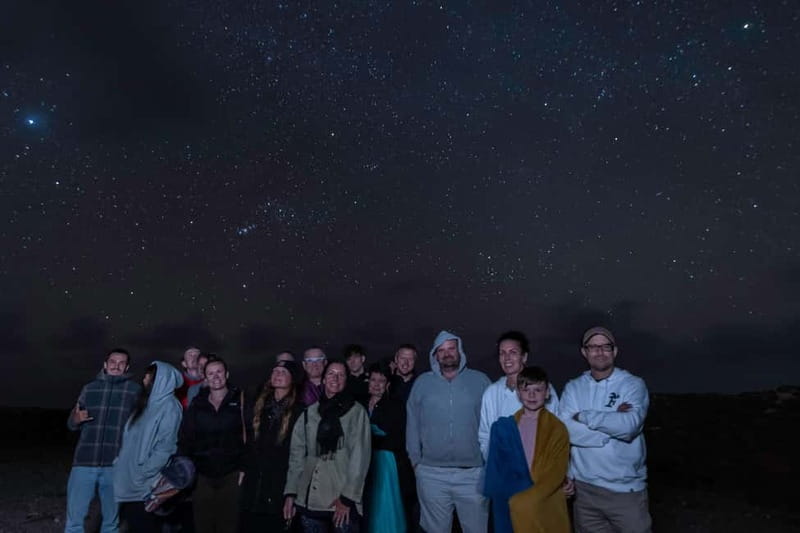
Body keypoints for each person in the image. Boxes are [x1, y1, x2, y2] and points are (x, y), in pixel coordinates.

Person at [558, 326, 652, 533]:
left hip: (626, 492)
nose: (599, 352)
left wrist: (583, 415)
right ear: (584, 352)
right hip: (584, 491)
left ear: (615, 351)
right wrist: (610, 426)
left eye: (605, 347)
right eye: (593, 347)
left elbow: (629, 426)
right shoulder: (573, 388)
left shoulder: (633, 385)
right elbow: (564, 430)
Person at [406, 331, 491, 533]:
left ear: (459, 350)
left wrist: (487, 464)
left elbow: (491, 424)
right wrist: (416, 462)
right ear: (435, 355)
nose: (447, 354)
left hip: (472, 475)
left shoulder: (480, 381)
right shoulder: (422, 384)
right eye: (441, 350)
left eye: (451, 348)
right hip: (431, 474)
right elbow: (412, 424)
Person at [283, 359, 371, 532]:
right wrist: (291, 492)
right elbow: (297, 456)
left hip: (341, 499)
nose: (335, 379)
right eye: (331, 373)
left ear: (346, 380)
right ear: (323, 379)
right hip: (311, 498)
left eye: (341, 375)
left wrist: (347, 499)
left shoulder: (356, 412)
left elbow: (360, 457)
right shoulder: (310, 413)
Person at [483, 366, 570, 533]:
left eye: (538, 390)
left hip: (543, 499)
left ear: (547, 393)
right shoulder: (507, 427)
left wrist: (526, 500)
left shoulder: (557, 429)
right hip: (510, 497)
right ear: (518, 393)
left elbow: (556, 472)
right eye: (526, 390)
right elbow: (499, 469)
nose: (531, 395)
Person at [64, 348, 141, 533]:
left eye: (121, 363)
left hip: (115, 465)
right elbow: (71, 424)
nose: (117, 366)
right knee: (74, 520)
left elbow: (140, 428)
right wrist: (76, 418)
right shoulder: (90, 388)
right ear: (105, 364)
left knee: (111, 522)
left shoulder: (135, 391)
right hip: (84, 462)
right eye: (113, 362)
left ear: (127, 367)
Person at [178, 356, 246, 533]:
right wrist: (183, 469)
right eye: (210, 373)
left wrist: (245, 468)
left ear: (227, 374)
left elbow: (250, 437)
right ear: (205, 378)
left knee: (229, 525)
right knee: (203, 525)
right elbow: (186, 438)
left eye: (219, 372)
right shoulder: (197, 404)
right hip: (202, 475)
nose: (215, 377)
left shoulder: (240, 401)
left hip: (231, 474)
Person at [114, 361, 183, 532]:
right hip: (128, 478)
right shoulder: (146, 404)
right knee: (132, 523)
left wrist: (145, 472)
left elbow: (166, 447)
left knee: (143, 525)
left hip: (144, 482)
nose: (144, 379)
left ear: (160, 380)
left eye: (148, 376)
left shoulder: (170, 407)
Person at [240, 359, 304, 532]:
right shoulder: (259, 406)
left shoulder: (299, 411)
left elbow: (298, 456)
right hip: (253, 486)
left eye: (283, 372)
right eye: (275, 371)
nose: (278, 375)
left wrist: (291, 493)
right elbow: (249, 444)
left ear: (293, 379)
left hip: (278, 487)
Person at [479, 331, 560, 461]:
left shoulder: (543, 389)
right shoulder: (492, 392)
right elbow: (485, 436)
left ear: (524, 357)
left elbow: (555, 433)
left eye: (513, 352)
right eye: (502, 353)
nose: (507, 358)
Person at [362, 364, 408, 533]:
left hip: (384, 462)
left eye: (381, 381)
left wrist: (369, 438)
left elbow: (397, 439)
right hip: (363, 461)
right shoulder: (360, 403)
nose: (376, 384)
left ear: (388, 384)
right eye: (373, 380)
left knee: (383, 503)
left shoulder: (396, 406)